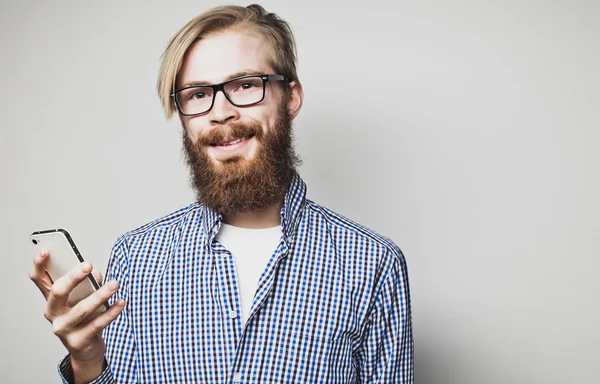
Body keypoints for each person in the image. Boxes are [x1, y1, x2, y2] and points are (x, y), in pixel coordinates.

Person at [29, 4, 413, 383]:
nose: (220, 112)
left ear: (290, 97)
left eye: (246, 85)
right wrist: (87, 363)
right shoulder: (137, 256)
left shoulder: (374, 264)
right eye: (197, 94)